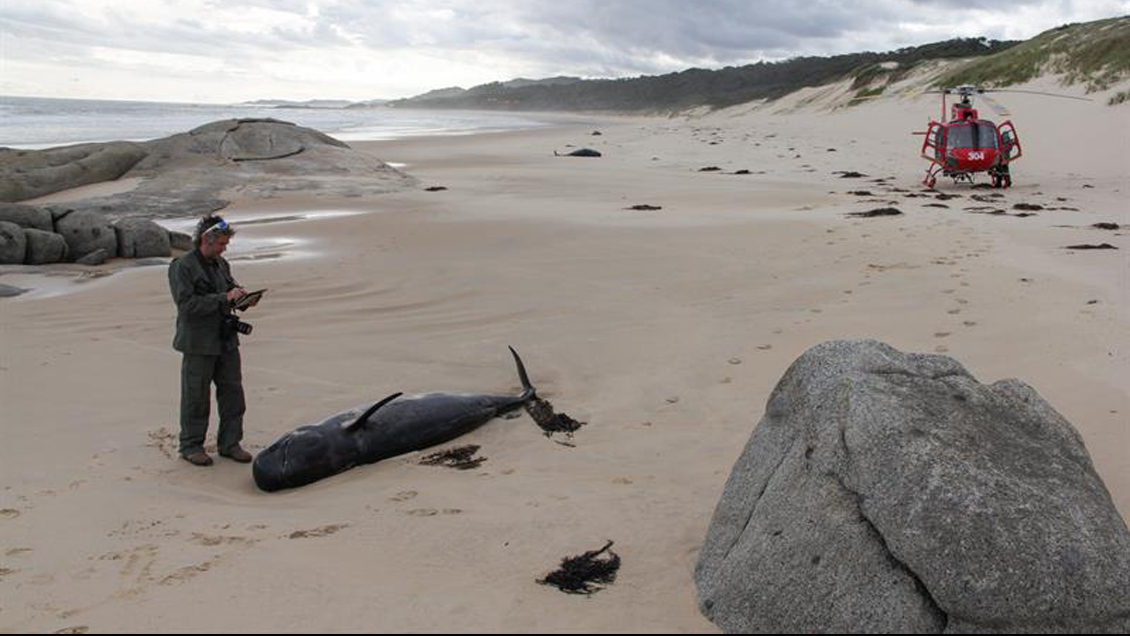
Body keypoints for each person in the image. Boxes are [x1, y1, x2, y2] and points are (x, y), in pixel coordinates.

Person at [168, 214, 258, 466]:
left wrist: (242, 298)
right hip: (198, 342)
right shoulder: (182, 266)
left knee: (233, 393)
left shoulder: (221, 264)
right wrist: (224, 298)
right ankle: (191, 446)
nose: (224, 249)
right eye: (221, 244)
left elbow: (229, 290)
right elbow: (186, 305)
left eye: (225, 245)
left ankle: (230, 444)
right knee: (196, 396)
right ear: (206, 240)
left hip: (225, 339)